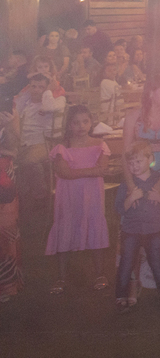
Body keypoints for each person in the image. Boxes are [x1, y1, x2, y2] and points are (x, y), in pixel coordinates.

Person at [123, 74, 160, 293]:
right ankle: (135, 280)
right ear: (151, 93)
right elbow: (125, 155)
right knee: (139, 222)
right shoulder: (134, 117)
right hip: (139, 170)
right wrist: (131, 186)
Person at [45, 105, 110, 294]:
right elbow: (63, 173)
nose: (81, 126)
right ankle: (61, 276)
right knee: (66, 227)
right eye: (76, 122)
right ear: (69, 125)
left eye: (85, 121)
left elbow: (102, 169)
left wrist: (76, 172)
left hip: (93, 195)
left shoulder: (100, 144)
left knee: (95, 227)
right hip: (69, 196)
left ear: (91, 122)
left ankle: (100, 273)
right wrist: (92, 171)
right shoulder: (62, 147)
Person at [115, 140, 160, 312]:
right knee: (126, 263)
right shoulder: (126, 183)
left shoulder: (159, 179)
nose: (134, 166)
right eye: (131, 162)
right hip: (131, 230)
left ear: (150, 159)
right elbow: (119, 208)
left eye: (138, 161)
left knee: (157, 261)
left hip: (154, 230)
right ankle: (120, 296)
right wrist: (131, 198)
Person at [12, 72, 64, 235]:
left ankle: (41, 194)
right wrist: (26, 92)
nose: (36, 90)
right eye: (33, 86)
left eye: (40, 87)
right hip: (24, 144)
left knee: (30, 162)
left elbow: (49, 107)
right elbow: (15, 109)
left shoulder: (49, 102)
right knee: (18, 171)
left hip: (43, 143)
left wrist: (48, 90)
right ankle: (24, 216)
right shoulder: (26, 102)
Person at [0, 103, 20, 303]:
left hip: (3, 179)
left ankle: (6, 284)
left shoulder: (9, 112)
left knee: (5, 232)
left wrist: (7, 126)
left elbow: (14, 150)